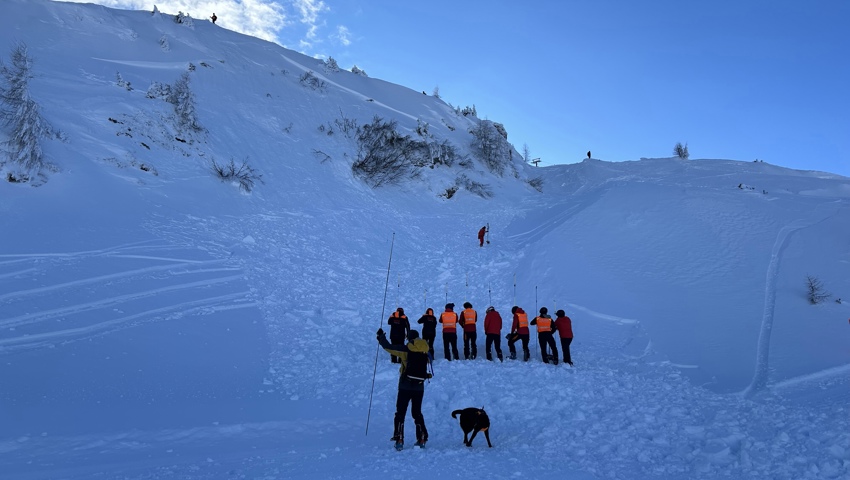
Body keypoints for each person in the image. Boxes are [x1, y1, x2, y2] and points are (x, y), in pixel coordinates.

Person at [376, 328, 431, 450]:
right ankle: (421, 437)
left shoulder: (406, 349)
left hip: (405, 385)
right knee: (417, 412)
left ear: (410, 339)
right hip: (419, 386)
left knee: (400, 412)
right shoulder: (425, 350)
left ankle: (399, 438)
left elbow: (388, 347)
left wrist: (381, 337)